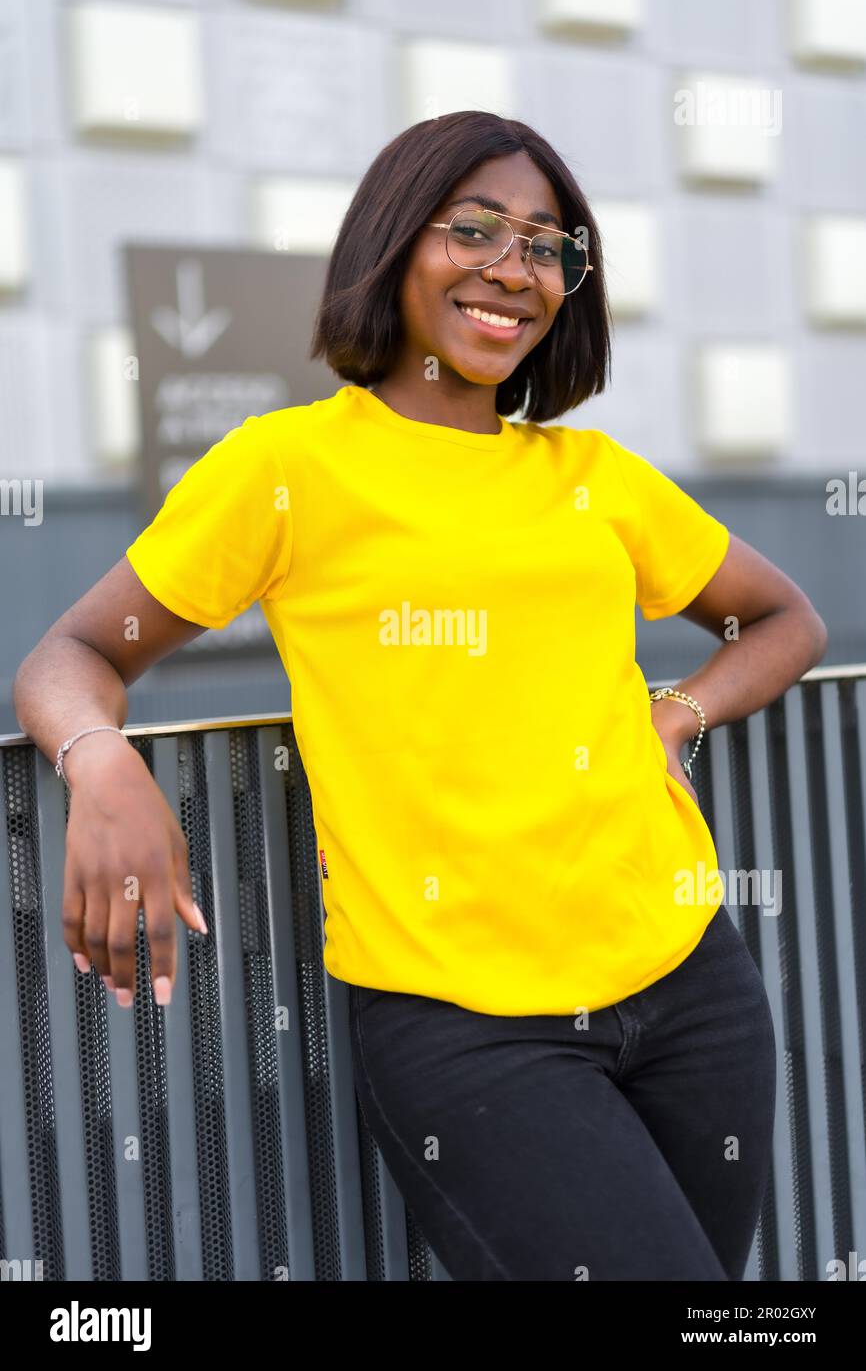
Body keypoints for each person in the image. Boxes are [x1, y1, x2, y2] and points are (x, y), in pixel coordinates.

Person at [14, 111, 826, 1282]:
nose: (514, 268)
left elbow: (784, 617)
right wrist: (100, 761)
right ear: (393, 244)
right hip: (469, 1032)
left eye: (547, 246)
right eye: (476, 228)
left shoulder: (595, 477)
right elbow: (72, 652)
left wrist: (673, 713)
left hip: (690, 981)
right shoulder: (286, 467)